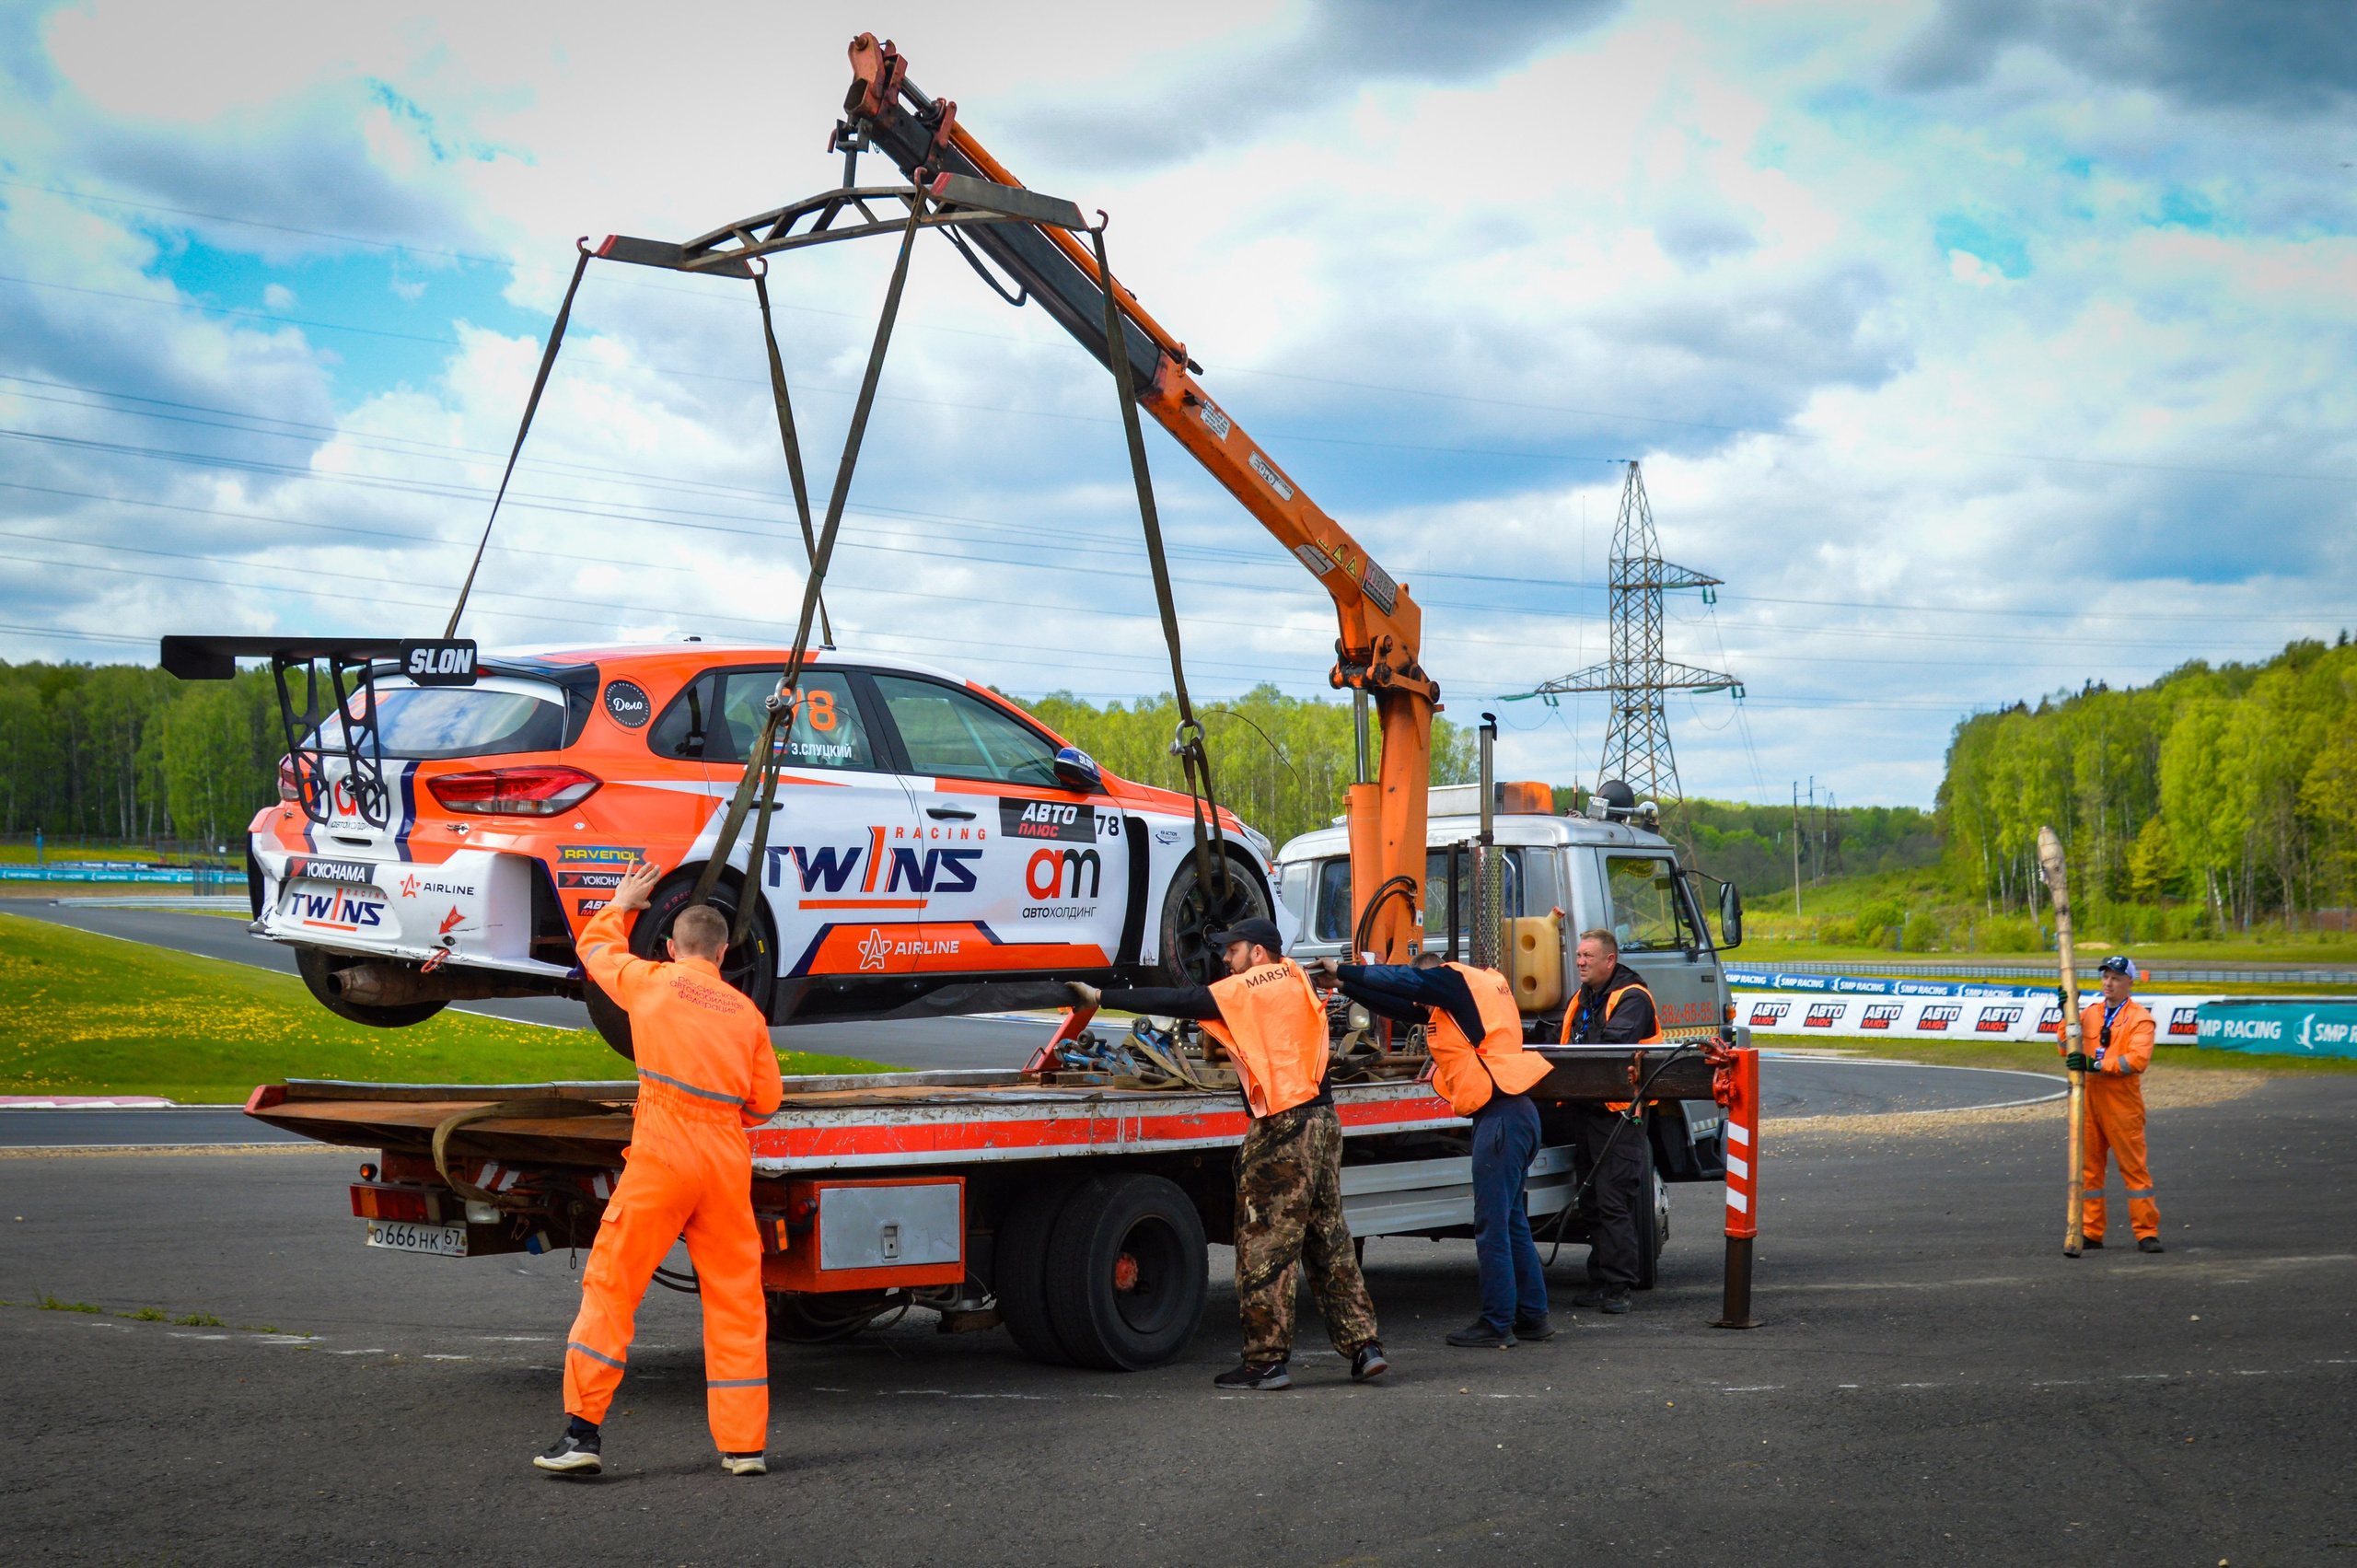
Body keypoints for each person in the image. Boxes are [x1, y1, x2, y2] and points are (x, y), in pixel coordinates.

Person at [535, 860, 783, 1477]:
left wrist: (621, 901)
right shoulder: (746, 1014)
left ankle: (582, 1433)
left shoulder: (651, 981)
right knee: (736, 1299)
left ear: (673, 946)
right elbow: (767, 1102)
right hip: (724, 1158)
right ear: (723, 953)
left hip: (662, 1149)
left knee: (614, 1285)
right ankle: (743, 1446)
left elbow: (596, 950)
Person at [1069, 917, 1387, 1391]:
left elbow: (1177, 1001)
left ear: (1258, 954)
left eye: (1232, 951)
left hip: (1284, 1126)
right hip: (1324, 1121)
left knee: (1264, 1246)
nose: (1224, 959)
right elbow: (1309, 976)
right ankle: (1365, 1348)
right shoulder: (1295, 977)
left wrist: (1100, 997)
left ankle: (1266, 1362)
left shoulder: (1246, 988)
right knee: (1328, 1239)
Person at [1315, 952, 1554, 1347]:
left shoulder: (1452, 982)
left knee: (1492, 1226)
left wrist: (1342, 969)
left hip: (1501, 1120)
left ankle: (1496, 1324)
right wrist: (1343, 987)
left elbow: (1400, 984)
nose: (1422, 1008)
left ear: (1430, 979)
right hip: (1516, 1112)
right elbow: (1397, 1002)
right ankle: (1533, 1316)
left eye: (1423, 995)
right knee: (1512, 1222)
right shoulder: (1469, 1000)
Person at [1556, 929, 1662, 1315]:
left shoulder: (1632, 998)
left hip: (1620, 1115)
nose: (1580, 962)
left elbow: (1610, 1045)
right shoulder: (1585, 997)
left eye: (1588, 956)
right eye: (1579, 956)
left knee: (1614, 1198)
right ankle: (1601, 1278)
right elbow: (1563, 1039)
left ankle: (1619, 1286)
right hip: (1589, 1111)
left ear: (1609, 960)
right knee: (1593, 1200)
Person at [2064, 955, 2162, 1253]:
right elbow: (2063, 1046)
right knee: (2089, 1171)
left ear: (2129, 983)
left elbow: (2137, 1061)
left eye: (2116, 977)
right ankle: (2091, 1232)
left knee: (2134, 1170)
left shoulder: (2140, 1018)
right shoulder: (2090, 1013)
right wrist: (2064, 1012)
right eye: (2105, 976)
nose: (2109, 982)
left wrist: (2095, 1064)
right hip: (2088, 1101)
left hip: (2122, 1103)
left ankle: (2147, 1232)